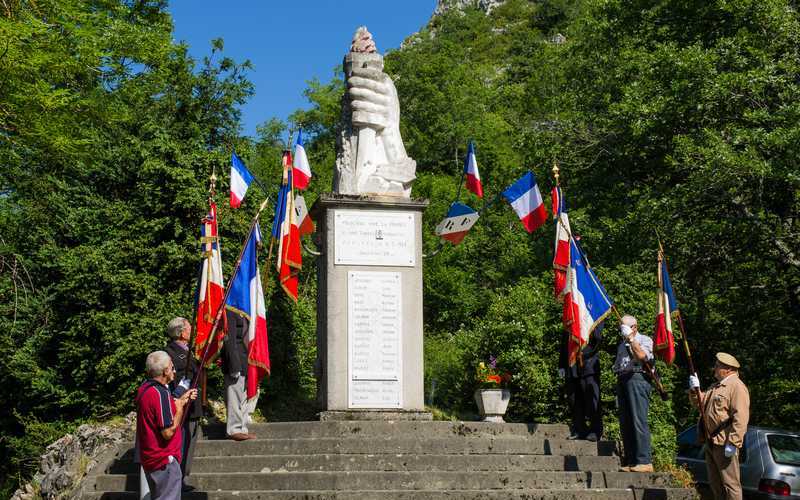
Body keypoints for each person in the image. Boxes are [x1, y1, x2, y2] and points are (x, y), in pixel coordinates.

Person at [135, 351, 197, 500]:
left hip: (152, 459)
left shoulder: (144, 389)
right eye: (172, 367)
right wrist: (180, 408)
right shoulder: (160, 392)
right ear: (165, 371)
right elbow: (167, 432)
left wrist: (180, 400)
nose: (174, 371)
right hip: (163, 461)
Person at [689, 353, 750, 500]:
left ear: (728, 369)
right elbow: (700, 405)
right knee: (716, 484)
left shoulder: (737, 387)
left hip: (725, 443)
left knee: (731, 485)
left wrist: (734, 443)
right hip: (712, 442)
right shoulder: (716, 386)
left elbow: (741, 418)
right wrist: (694, 390)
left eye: (717, 366)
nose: (714, 369)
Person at [163, 317, 202, 492]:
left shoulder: (190, 351)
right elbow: (173, 379)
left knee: (190, 445)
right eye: (189, 327)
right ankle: (176, 480)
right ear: (181, 332)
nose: (192, 330)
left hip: (194, 406)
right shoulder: (169, 353)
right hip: (180, 406)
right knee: (181, 444)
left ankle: (182, 478)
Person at [612, 315, 654, 472]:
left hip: (638, 377)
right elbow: (618, 364)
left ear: (634, 327)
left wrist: (631, 338)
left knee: (638, 419)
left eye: (624, 326)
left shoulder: (644, 339)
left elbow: (642, 356)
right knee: (626, 422)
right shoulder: (621, 345)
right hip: (623, 379)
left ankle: (644, 460)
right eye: (620, 327)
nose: (620, 329)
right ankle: (632, 460)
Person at [558, 322, 604, 441]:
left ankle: (595, 430)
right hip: (571, 363)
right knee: (574, 398)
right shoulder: (572, 312)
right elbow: (565, 341)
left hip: (588, 361)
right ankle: (580, 429)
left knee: (591, 398)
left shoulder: (591, 312)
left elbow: (597, 338)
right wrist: (562, 364)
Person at [222, 309, 258, 440]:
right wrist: (233, 364)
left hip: (245, 360)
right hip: (235, 361)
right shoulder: (230, 311)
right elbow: (229, 339)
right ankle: (233, 429)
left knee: (242, 397)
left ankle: (242, 428)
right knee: (234, 396)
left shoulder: (246, 311)